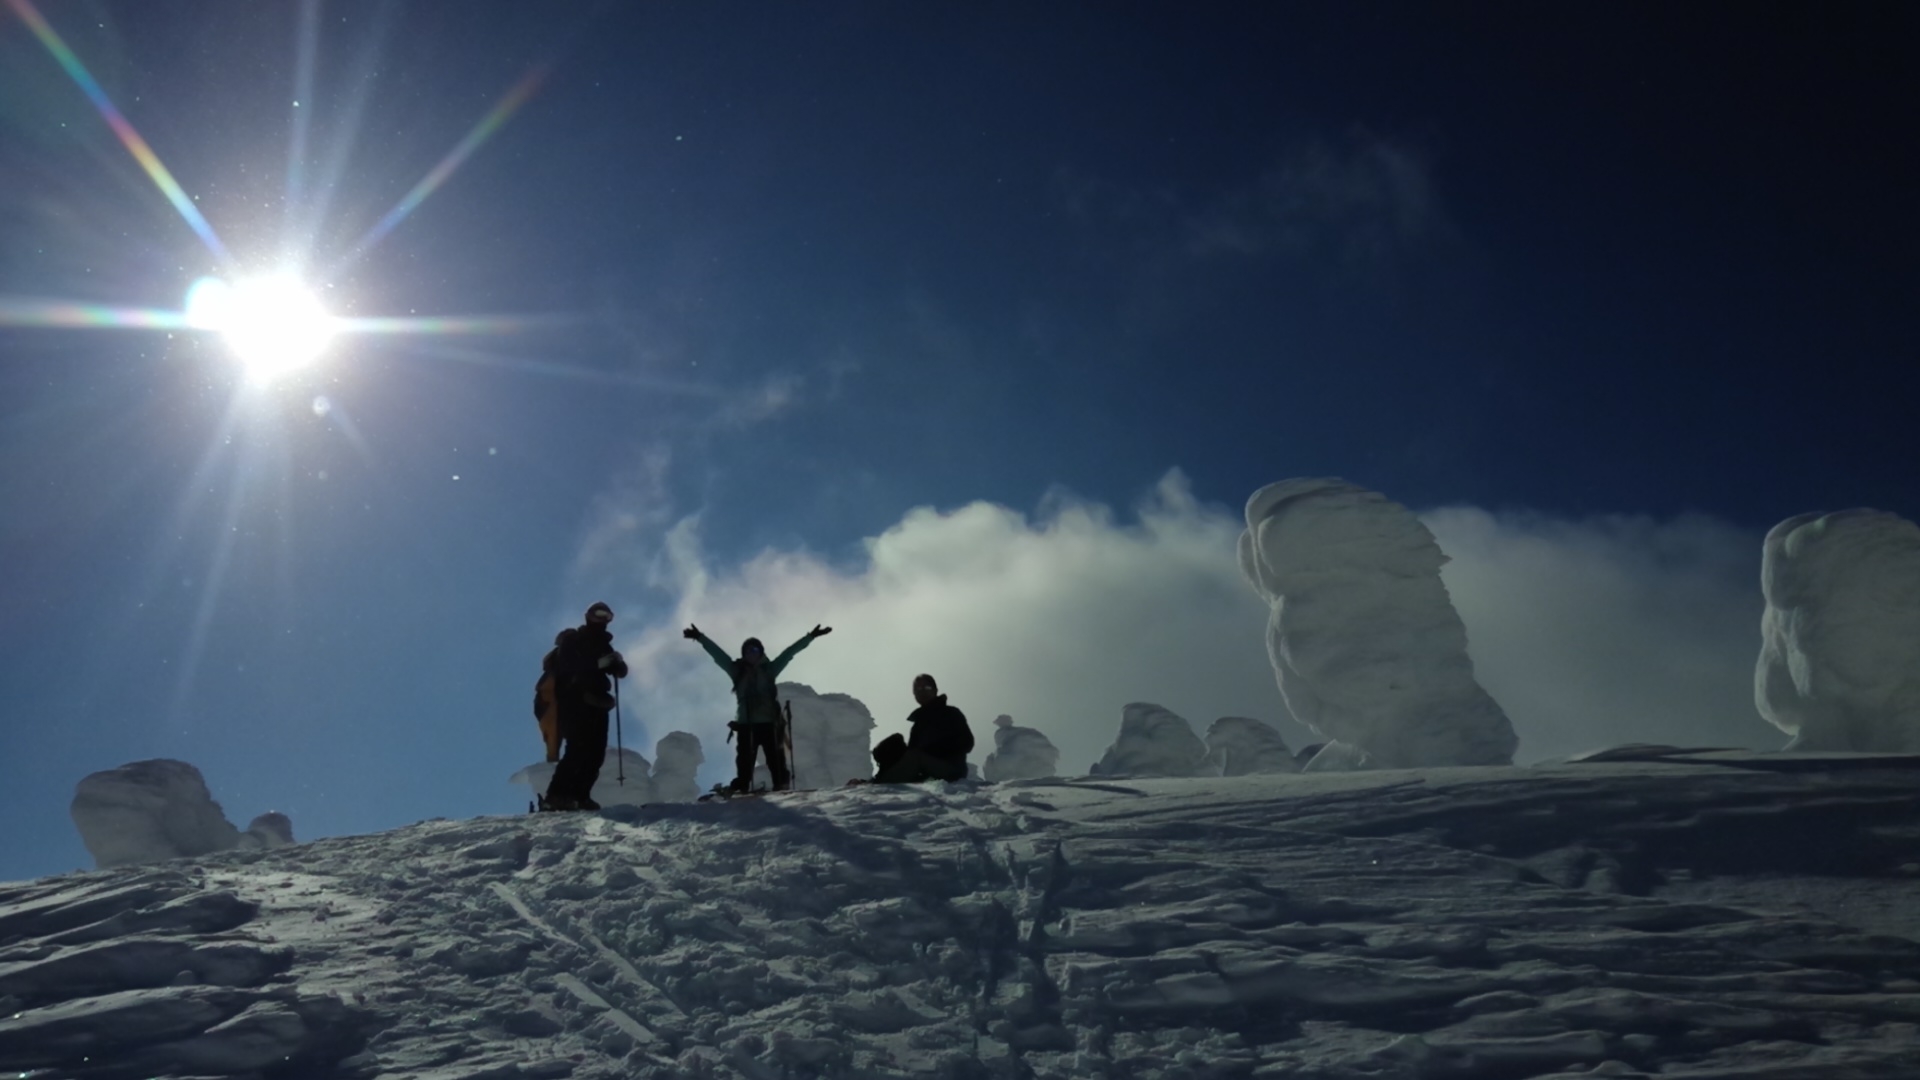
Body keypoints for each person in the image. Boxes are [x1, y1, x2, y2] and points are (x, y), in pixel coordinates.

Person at [685, 622, 831, 792]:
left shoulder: (770, 669)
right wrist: (700, 638)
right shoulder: (736, 670)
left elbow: (789, 653)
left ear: (761, 653)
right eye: (747, 651)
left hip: (769, 723)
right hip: (746, 725)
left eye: (754, 650)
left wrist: (810, 637)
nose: (751, 654)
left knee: (775, 759)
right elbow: (719, 656)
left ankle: (781, 784)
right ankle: (743, 785)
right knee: (744, 761)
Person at [544, 603, 628, 811]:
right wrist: (603, 663)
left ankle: (580, 796)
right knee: (577, 750)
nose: (602, 620)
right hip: (575, 701)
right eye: (599, 615)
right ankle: (557, 795)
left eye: (607, 616)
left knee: (595, 753)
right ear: (588, 616)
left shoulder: (604, 645)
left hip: (598, 703)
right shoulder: (574, 640)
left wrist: (617, 664)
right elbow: (572, 666)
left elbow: (621, 672)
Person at [872, 673, 974, 784]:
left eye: (927, 687)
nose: (922, 691)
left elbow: (967, 742)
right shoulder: (919, 723)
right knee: (895, 743)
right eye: (918, 689)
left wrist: (935, 749)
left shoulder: (950, 713)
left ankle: (879, 784)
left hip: (951, 770)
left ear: (935, 690)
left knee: (915, 756)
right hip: (925, 770)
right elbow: (909, 755)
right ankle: (879, 779)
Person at [533, 628, 575, 764]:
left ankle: (554, 766)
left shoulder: (553, 668)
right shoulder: (559, 668)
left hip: (551, 707)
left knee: (555, 743)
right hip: (555, 707)